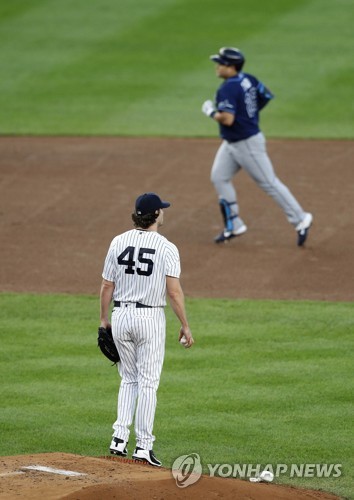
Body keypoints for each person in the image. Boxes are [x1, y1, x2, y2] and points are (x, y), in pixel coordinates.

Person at [100, 192, 194, 467]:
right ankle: (143, 446)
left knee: (128, 379)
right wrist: (185, 325)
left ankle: (118, 439)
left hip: (121, 315)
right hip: (149, 318)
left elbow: (107, 285)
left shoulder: (118, 241)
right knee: (148, 382)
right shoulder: (166, 247)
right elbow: (174, 292)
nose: (164, 213)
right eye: (161, 210)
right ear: (155, 215)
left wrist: (104, 319)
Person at [201, 47, 313, 246]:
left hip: (246, 144)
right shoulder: (248, 79)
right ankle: (234, 224)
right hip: (232, 143)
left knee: (269, 183)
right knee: (219, 177)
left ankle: (300, 218)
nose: (217, 67)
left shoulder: (227, 88)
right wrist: (249, 113)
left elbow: (227, 119)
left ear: (231, 67)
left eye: (221, 63)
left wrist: (210, 111)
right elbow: (266, 95)